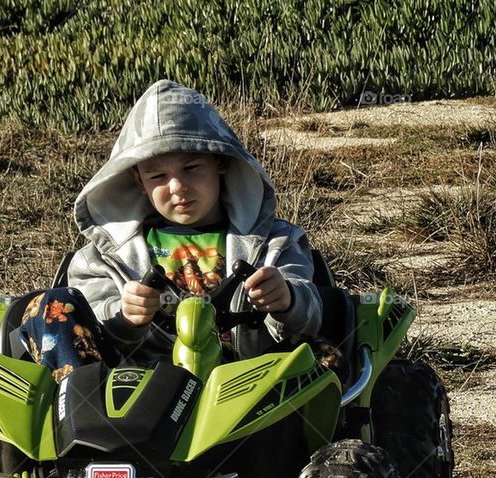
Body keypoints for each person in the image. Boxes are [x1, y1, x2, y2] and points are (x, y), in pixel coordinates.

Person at [19, 79, 323, 380]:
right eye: (158, 176)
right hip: (133, 388)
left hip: (243, 384)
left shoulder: (275, 242)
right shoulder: (102, 258)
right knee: (47, 305)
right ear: (139, 181)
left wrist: (287, 300)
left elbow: (313, 315)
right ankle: (80, 413)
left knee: (327, 352)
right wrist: (124, 317)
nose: (178, 187)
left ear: (221, 162)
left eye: (191, 169)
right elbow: (93, 326)